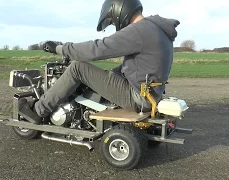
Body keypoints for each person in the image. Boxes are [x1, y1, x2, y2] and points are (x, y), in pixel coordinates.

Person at [18, 0, 180, 122]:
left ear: (119, 11)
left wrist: (60, 48)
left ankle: (38, 110)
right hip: (150, 95)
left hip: (138, 97)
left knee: (77, 68)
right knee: (105, 73)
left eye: (112, 20)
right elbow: (139, 67)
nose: (114, 24)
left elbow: (98, 48)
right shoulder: (157, 30)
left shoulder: (139, 31)